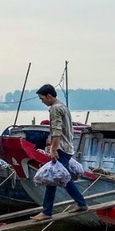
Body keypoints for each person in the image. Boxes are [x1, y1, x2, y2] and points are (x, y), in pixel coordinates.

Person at [30, 84, 88, 220]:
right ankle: (81, 203)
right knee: (61, 178)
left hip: (61, 148)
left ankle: (47, 212)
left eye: (42, 98)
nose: (42, 101)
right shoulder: (63, 107)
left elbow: (57, 131)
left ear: (49, 96)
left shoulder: (55, 109)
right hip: (68, 148)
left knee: (53, 179)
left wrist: (53, 149)